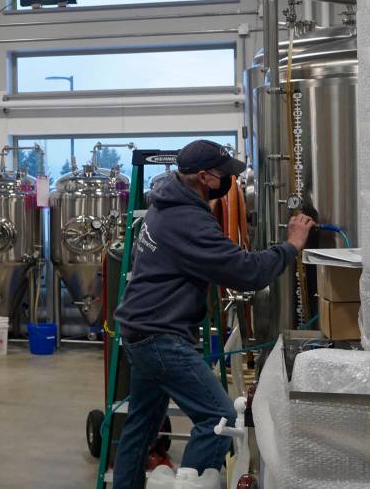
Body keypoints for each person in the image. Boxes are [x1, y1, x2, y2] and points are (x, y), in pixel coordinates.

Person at [111, 140, 315, 488]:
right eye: (226, 175)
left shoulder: (165, 199)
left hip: (139, 330)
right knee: (220, 417)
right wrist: (291, 245)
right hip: (160, 336)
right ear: (204, 177)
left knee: (141, 426)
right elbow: (246, 271)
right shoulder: (187, 220)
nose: (231, 181)